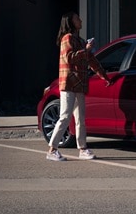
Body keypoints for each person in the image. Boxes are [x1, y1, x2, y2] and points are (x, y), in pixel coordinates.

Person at [46, 12, 110, 161]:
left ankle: (83, 149)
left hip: (80, 84)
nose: (80, 20)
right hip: (69, 83)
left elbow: (91, 61)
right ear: (70, 22)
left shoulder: (80, 40)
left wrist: (104, 76)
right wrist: (86, 50)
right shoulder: (67, 38)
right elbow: (69, 57)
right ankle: (52, 149)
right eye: (77, 18)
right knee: (65, 116)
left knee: (80, 118)